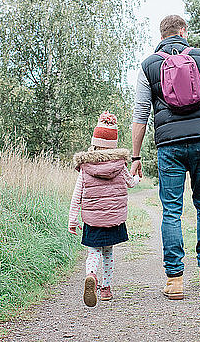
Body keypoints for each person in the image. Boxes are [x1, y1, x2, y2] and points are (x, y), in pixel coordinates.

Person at [130, 15, 200, 300]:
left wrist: (136, 156)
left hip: (169, 146)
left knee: (171, 211)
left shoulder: (149, 65)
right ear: (184, 32)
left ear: (161, 35)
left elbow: (140, 115)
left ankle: (174, 280)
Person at [68, 111, 139, 307]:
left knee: (93, 251)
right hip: (113, 218)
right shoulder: (120, 164)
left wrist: (73, 220)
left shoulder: (85, 166)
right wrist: (137, 177)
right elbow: (131, 183)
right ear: (113, 144)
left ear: (95, 141)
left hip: (92, 219)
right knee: (108, 252)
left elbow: (77, 195)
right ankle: (106, 289)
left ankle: (91, 275)